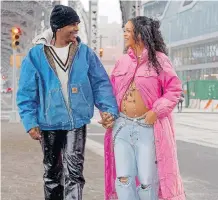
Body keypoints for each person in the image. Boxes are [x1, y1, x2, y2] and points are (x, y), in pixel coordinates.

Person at [16, 5, 118, 200]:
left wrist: (108, 109)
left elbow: (100, 83)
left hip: (76, 122)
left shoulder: (85, 53)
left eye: (78, 23)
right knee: (52, 174)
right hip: (48, 123)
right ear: (59, 27)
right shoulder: (36, 55)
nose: (76, 28)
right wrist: (30, 122)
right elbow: (26, 93)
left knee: (75, 173)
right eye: (73, 24)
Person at [104, 16, 186, 200]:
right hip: (122, 126)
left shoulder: (160, 60)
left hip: (147, 127)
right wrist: (107, 113)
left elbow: (174, 89)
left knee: (147, 180)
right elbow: (110, 92)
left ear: (140, 34)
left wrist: (156, 111)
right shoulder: (122, 61)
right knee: (123, 178)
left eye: (128, 30)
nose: (124, 34)